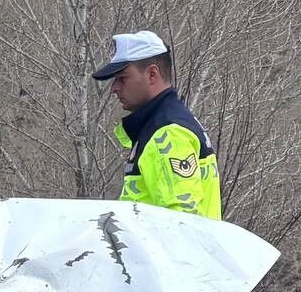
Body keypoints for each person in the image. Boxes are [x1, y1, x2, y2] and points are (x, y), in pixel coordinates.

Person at [91, 30, 219, 218]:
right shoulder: (170, 123)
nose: (114, 88)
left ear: (152, 74)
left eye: (122, 78)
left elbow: (182, 220)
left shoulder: (168, 133)